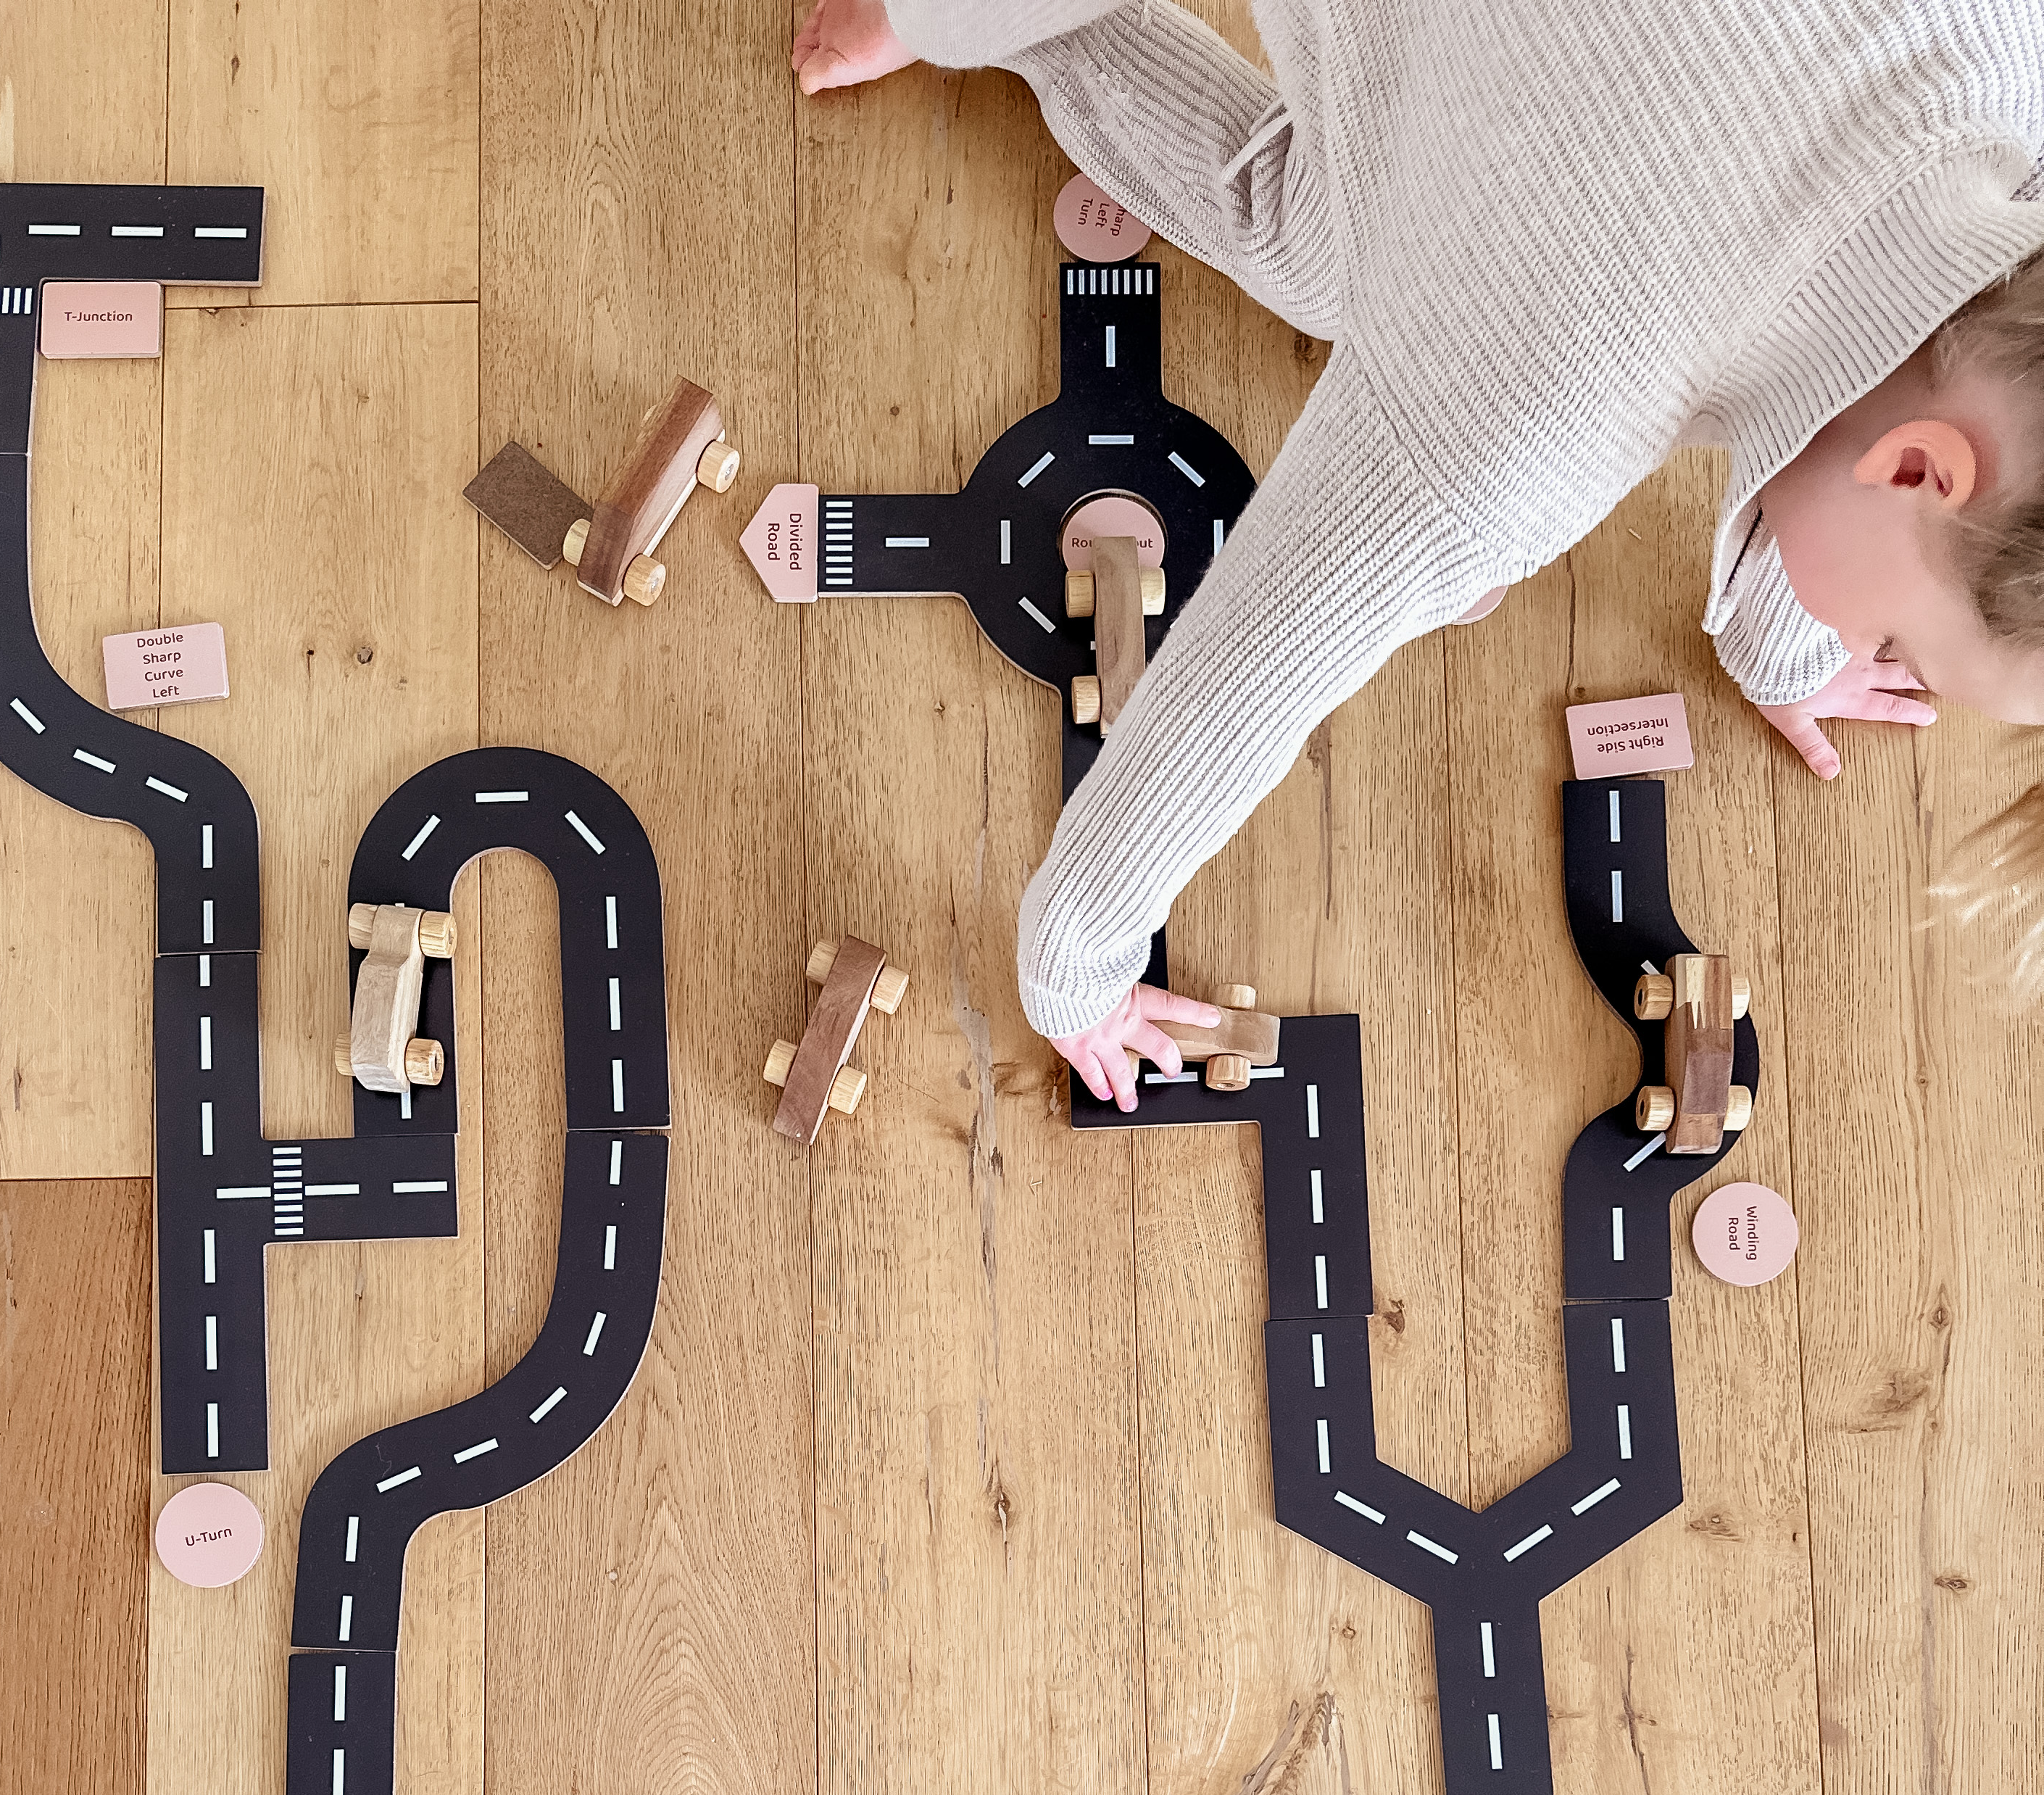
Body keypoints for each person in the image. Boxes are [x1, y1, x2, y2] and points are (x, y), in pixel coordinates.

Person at [792, 0, 2044, 1100]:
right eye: (1894, 640)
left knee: (1363, 258)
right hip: (1518, 198)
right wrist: (1076, 969)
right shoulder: (1509, 419)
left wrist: (1785, 650)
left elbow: (1852, 408)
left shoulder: (2013, 83)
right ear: (1918, 471)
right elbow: (1233, 692)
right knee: (1331, 259)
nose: (1870, 648)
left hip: (1562, 97)